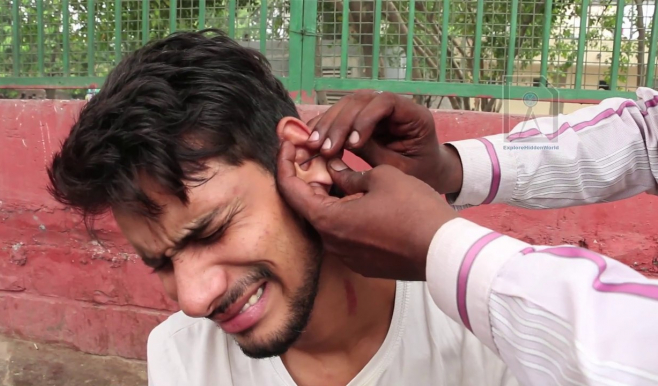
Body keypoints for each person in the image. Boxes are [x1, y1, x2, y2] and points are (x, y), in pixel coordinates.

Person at [46, 30, 520, 386]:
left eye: (211, 231)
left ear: (302, 161)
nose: (193, 300)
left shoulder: (492, 336)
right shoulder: (184, 360)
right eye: (161, 264)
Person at [276, 88, 658, 385]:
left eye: (219, 226)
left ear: (305, 164)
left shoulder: (479, 353)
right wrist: (449, 167)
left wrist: (442, 248)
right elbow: (646, 132)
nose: (211, 297)